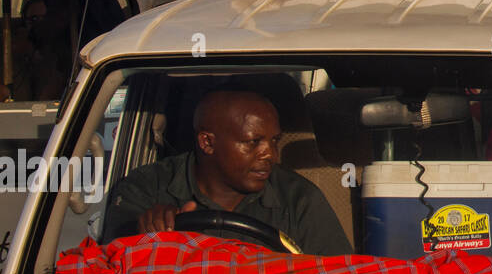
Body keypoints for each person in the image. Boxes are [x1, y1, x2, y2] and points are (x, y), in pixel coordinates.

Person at [104, 90, 352, 256]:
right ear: (207, 143)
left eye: (274, 141)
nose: (272, 156)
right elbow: (107, 273)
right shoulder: (146, 188)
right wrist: (143, 236)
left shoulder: (299, 200)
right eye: (254, 142)